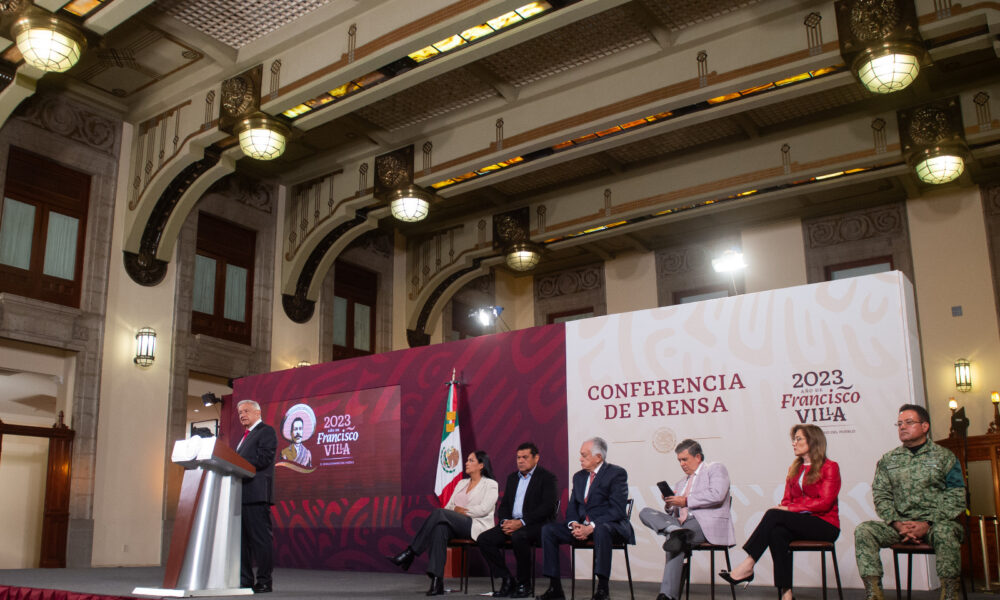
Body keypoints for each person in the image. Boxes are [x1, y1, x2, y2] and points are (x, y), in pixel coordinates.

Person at [854, 404, 965, 600]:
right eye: (899, 424)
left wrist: (927, 523)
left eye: (909, 422)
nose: (902, 427)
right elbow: (881, 495)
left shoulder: (944, 457)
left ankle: (949, 594)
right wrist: (898, 524)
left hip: (936, 524)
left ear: (925, 426)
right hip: (900, 525)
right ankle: (874, 594)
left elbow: (956, 496)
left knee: (945, 532)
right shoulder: (889, 460)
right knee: (865, 530)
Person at [719, 425, 840, 600]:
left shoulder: (830, 467)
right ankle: (786, 593)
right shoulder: (794, 468)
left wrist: (790, 509)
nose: (794, 443)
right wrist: (787, 508)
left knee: (773, 514)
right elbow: (787, 500)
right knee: (777, 533)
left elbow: (825, 502)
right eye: (794, 439)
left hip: (825, 525)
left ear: (813, 441)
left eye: (799, 439)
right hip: (801, 523)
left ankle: (748, 564)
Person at [388, 450, 499, 596]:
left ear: (481, 465)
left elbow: (484, 509)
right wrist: (455, 512)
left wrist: (462, 511)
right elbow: (449, 507)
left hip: (476, 526)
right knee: (440, 528)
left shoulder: (490, 484)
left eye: (471, 460)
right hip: (458, 525)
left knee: (439, 513)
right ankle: (437, 581)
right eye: (467, 460)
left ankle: (410, 552)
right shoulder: (461, 483)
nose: (466, 463)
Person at [537, 437, 634, 600]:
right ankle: (555, 588)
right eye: (580, 455)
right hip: (583, 527)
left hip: (609, 527)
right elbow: (573, 507)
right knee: (549, 530)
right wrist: (574, 524)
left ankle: (602, 590)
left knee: (601, 529)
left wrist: (591, 527)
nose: (580, 459)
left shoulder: (616, 473)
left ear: (598, 457)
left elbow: (617, 510)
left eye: (584, 455)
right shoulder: (579, 477)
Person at [640, 439, 734, 600]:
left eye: (685, 459)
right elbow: (674, 513)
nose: (682, 464)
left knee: (676, 540)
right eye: (679, 460)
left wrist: (685, 500)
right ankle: (675, 531)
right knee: (645, 512)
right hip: (682, 524)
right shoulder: (681, 483)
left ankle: (667, 595)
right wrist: (670, 504)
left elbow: (717, 494)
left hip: (704, 523)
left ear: (698, 457)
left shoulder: (715, 469)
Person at [477, 442, 559, 598]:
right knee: (484, 539)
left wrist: (521, 522)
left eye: (525, 457)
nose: (520, 461)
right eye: (518, 457)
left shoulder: (547, 477)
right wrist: (504, 522)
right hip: (512, 523)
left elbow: (547, 507)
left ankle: (524, 584)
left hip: (536, 525)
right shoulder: (512, 478)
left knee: (519, 536)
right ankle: (507, 579)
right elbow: (504, 506)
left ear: (536, 458)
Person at [235, 399, 278, 593]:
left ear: (258, 413)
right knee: (242, 543)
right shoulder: (244, 437)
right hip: (240, 496)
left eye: (246, 411)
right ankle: (245, 581)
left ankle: (264, 581)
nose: (242, 415)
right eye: (240, 412)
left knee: (261, 541)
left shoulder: (266, 431)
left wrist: (236, 461)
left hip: (256, 495)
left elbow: (264, 459)